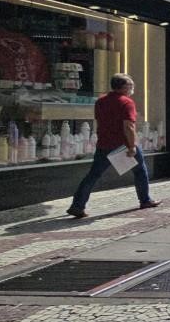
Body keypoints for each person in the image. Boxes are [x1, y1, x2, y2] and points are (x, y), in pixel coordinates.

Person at [67, 73, 160, 218]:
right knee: (140, 171)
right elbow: (128, 126)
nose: (132, 87)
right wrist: (132, 146)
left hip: (104, 143)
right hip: (122, 144)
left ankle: (77, 205)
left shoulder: (101, 101)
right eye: (130, 85)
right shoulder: (127, 102)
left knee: (93, 175)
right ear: (124, 87)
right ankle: (145, 200)